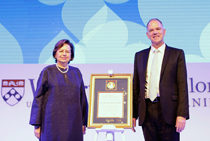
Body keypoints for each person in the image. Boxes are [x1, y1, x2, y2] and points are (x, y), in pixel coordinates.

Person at [132, 18, 189, 141]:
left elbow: (182, 86)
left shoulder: (177, 54)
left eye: (158, 29)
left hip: (169, 113)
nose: (155, 32)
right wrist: (133, 115)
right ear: (147, 35)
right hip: (146, 112)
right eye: (151, 30)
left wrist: (182, 114)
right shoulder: (139, 56)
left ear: (164, 31)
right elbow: (136, 87)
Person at [29, 39, 88, 141]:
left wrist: (84, 122)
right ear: (55, 54)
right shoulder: (47, 71)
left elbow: (82, 99)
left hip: (73, 124)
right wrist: (37, 125)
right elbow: (38, 98)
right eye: (61, 51)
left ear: (71, 55)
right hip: (51, 124)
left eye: (67, 51)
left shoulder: (76, 72)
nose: (64, 54)